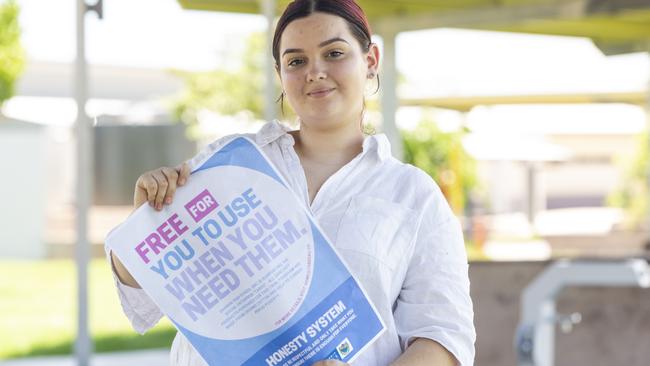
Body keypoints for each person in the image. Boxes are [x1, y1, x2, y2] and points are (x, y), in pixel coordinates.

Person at [105, 0, 476, 365]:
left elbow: (444, 338)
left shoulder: (412, 195)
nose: (314, 72)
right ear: (280, 73)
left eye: (333, 53)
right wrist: (145, 224)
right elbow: (145, 300)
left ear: (371, 61)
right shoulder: (229, 164)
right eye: (296, 61)